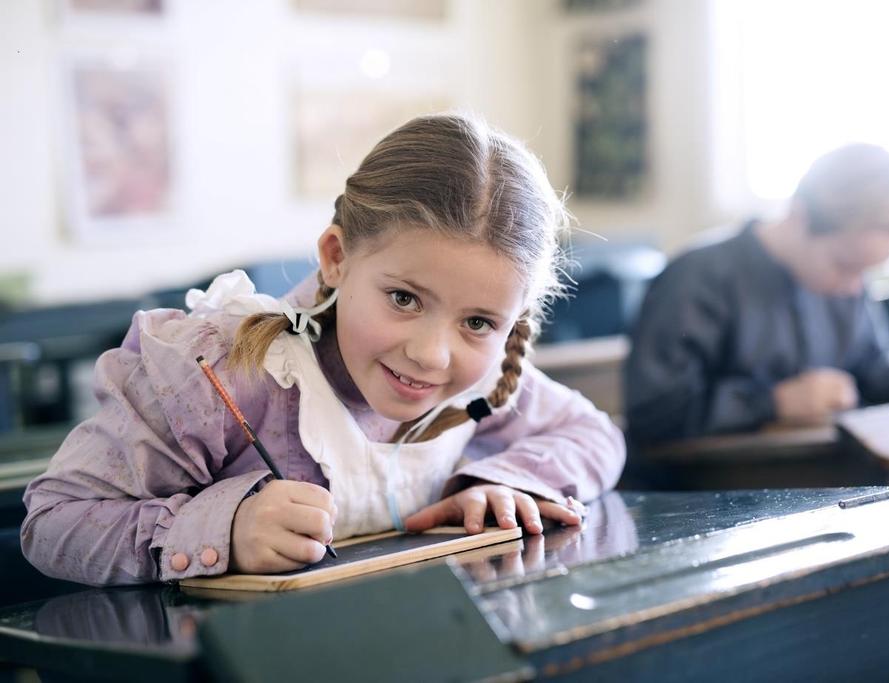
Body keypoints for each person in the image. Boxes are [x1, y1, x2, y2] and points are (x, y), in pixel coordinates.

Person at [21, 114, 626, 586]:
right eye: (405, 299)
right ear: (336, 258)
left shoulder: (486, 384)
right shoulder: (222, 374)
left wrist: (499, 480)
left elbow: (597, 436)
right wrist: (223, 528)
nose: (433, 356)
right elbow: (53, 523)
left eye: (476, 321)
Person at [625, 143, 889, 446]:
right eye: (845, 265)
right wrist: (773, 402)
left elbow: (873, 360)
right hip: (712, 493)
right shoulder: (698, 277)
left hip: (816, 477)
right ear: (798, 218)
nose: (854, 287)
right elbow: (654, 413)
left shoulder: (846, 280)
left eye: (866, 272)